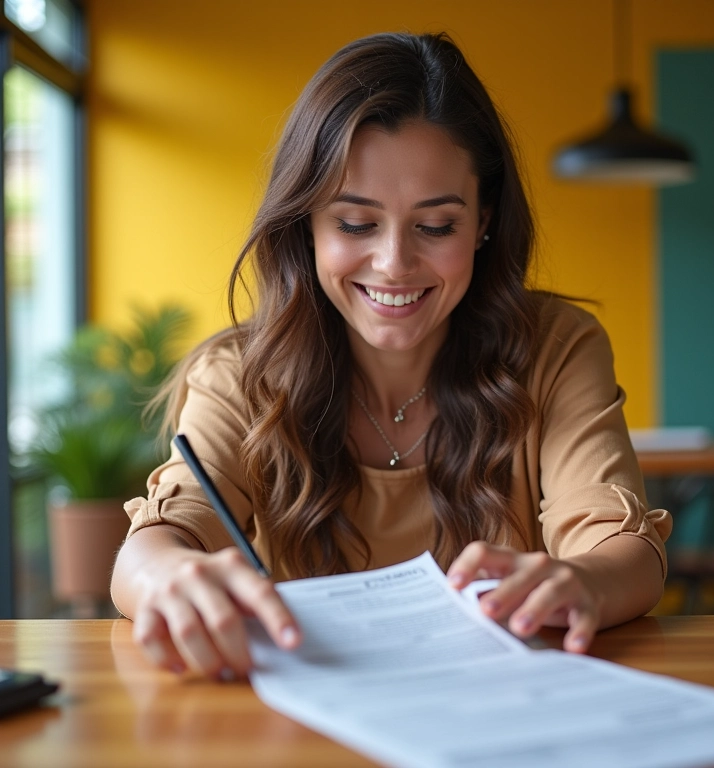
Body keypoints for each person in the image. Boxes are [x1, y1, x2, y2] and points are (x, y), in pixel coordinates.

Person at [110, 31, 671, 679]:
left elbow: (621, 545)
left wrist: (583, 581)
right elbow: (160, 539)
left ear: (484, 219)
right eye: (355, 223)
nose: (395, 264)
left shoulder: (557, 347)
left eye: (436, 226)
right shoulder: (237, 374)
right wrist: (166, 574)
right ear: (307, 222)